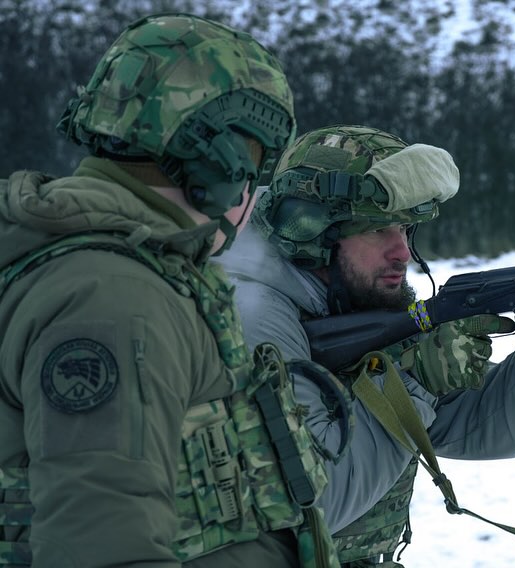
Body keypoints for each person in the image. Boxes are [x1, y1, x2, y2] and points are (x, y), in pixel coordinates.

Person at [0, 13, 343, 567]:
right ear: (221, 161)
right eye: (257, 162)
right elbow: (104, 549)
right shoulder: (112, 298)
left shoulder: (128, 270)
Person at [218, 124, 515, 566]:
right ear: (311, 230)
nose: (401, 251)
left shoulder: (356, 303)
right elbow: (307, 505)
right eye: (378, 231)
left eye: (403, 228)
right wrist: (414, 380)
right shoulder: (250, 317)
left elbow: (490, 428)